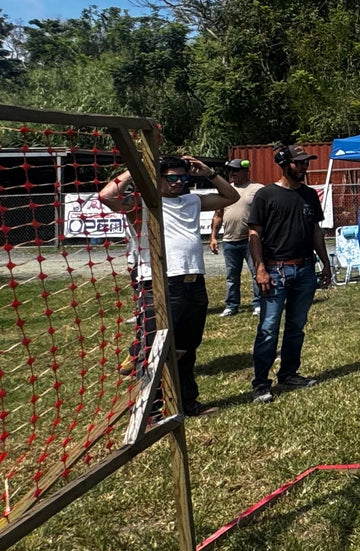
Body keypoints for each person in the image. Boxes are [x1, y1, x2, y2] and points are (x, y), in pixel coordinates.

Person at [100, 155, 239, 416]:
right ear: (158, 178)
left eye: (183, 177)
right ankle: (149, 411)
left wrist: (208, 172)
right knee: (154, 348)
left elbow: (231, 197)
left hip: (193, 281)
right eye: (172, 177)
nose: (178, 182)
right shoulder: (144, 203)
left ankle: (186, 403)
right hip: (158, 283)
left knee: (187, 348)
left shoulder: (191, 200)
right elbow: (107, 196)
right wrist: (138, 169)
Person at [248, 144, 333, 404]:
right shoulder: (266, 195)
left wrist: (325, 262)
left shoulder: (309, 195)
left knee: (296, 327)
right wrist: (260, 269)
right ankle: (261, 383)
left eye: (306, 162)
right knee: (268, 328)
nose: (305, 167)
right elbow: (254, 234)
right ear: (285, 165)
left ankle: (289, 373)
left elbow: (315, 231)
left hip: (305, 269)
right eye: (299, 163)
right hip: (276, 270)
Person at [210, 158, 264, 317]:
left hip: (251, 240)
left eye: (235, 170)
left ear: (246, 171)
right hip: (229, 241)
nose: (232, 174)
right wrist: (214, 236)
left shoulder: (258, 189)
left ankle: (259, 303)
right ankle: (231, 305)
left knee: (256, 272)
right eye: (230, 171)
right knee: (232, 276)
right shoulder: (225, 190)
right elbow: (218, 214)